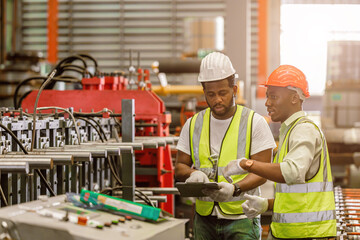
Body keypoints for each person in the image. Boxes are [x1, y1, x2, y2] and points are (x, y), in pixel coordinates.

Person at [222, 65, 337, 239]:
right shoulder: (290, 132)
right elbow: (298, 199)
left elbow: (292, 172)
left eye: (273, 96)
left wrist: (247, 164)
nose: (267, 102)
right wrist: (265, 205)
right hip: (295, 233)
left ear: (294, 98)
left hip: (307, 234)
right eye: (268, 96)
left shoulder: (304, 130)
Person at [175, 52, 276, 240]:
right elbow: (180, 167)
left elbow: (264, 172)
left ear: (234, 89)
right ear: (203, 91)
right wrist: (192, 174)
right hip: (204, 217)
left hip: (242, 218)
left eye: (222, 93)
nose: (217, 100)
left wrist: (235, 188)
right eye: (211, 94)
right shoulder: (193, 124)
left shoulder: (254, 122)